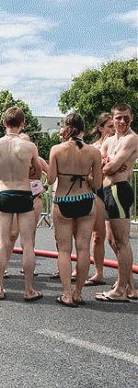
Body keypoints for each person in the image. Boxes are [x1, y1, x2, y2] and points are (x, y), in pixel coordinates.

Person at [47, 113, 102, 307]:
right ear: (83, 129)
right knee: (83, 247)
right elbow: (97, 183)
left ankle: (67, 294)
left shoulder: (56, 149)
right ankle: (79, 292)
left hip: (63, 200)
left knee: (63, 250)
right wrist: (84, 177)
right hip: (86, 200)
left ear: (66, 127)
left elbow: (50, 180)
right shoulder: (94, 152)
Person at [0, 107, 42, 301]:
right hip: (24, 193)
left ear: (4, 123)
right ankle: (28, 289)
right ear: (23, 124)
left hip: (4, 192)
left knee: (2, 242)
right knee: (27, 244)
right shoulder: (29, 146)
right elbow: (37, 172)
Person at [96, 102, 138, 302]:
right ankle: (129, 286)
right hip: (105, 192)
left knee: (122, 241)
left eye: (125, 117)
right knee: (111, 240)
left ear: (132, 117)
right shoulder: (109, 141)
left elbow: (109, 168)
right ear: (111, 119)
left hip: (119, 191)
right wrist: (108, 164)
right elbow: (99, 166)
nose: (122, 121)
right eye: (118, 117)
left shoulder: (132, 139)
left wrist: (109, 163)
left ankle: (120, 290)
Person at [85, 113, 114, 286]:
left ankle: (102, 273)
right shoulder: (92, 148)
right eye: (109, 126)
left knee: (112, 237)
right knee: (94, 235)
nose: (113, 129)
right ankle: (96, 273)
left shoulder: (117, 146)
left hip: (111, 191)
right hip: (95, 192)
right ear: (101, 128)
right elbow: (87, 173)